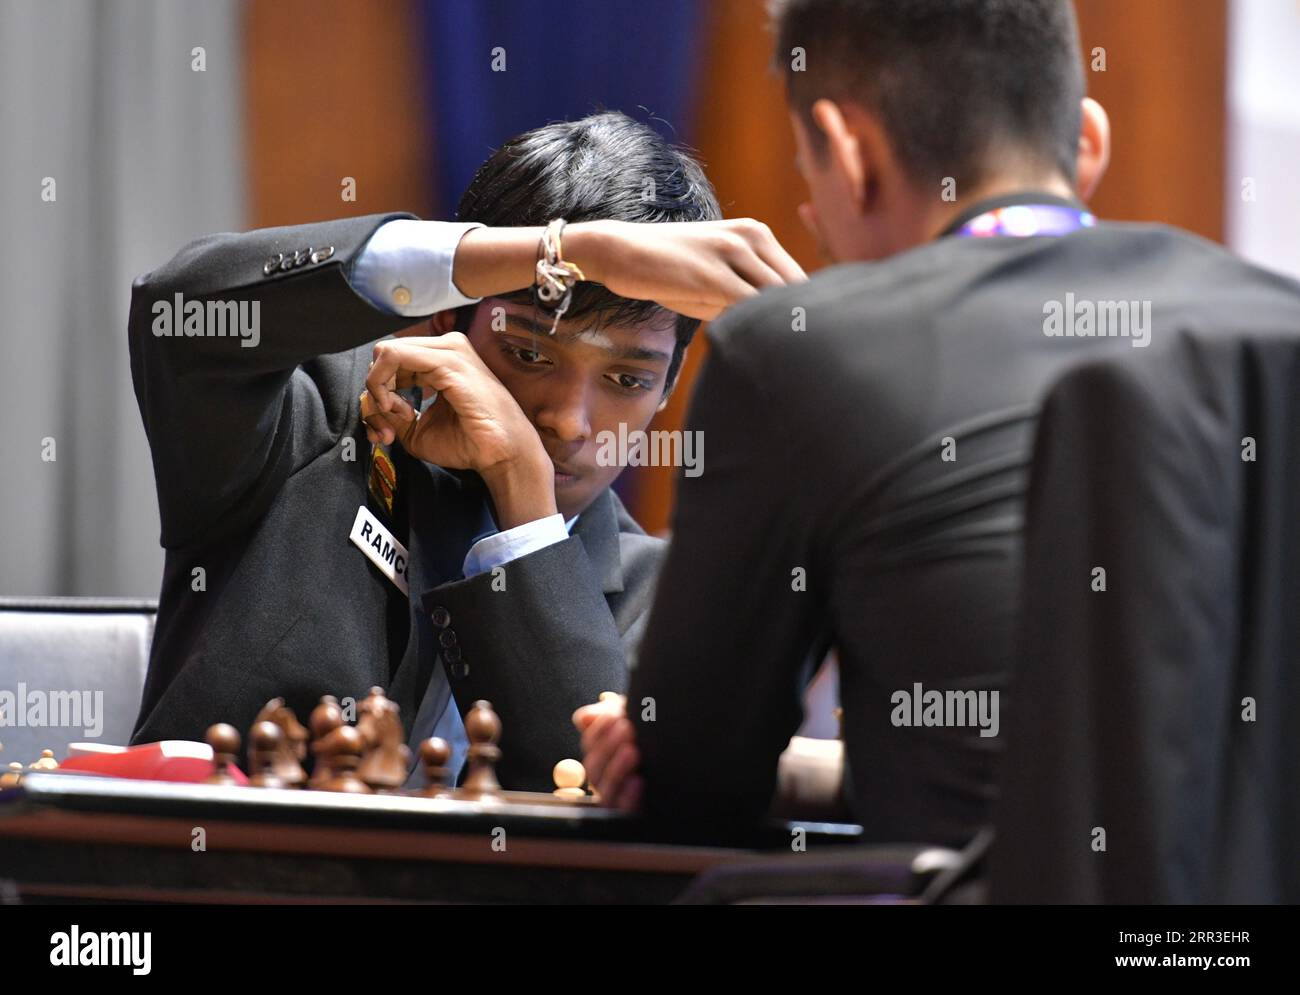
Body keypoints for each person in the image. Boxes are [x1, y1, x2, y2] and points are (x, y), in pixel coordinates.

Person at [578, 0, 1300, 845]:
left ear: (850, 159)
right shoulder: (1278, 323)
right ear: (1087, 142)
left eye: (811, 189)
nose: (815, 224)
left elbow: (691, 784)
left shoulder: (798, 351)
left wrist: (658, 742)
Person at [128, 111, 804, 788]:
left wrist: (526, 503)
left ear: (669, 388)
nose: (569, 421)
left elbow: (598, 803)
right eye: (528, 352)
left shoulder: (669, 602)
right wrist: (562, 253)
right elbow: (177, 311)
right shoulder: (316, 426)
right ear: (449, 317)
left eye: (627, 379)